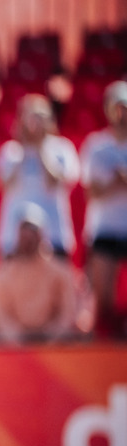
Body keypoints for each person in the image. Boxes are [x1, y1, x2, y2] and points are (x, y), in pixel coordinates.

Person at [0, 94, 80, 258]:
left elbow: (57, 183)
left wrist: (41, 149)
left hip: (53, 235)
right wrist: (24, 149)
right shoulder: (11, 150)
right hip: (13, 238)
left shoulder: (62, 149)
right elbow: (3, 185)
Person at [0, 203, 79, 344]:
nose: (28, 239)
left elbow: (68, 312)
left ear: (42, 236)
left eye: (33, 232)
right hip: (15, 348)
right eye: (24, 232)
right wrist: (18, 337)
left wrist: (51, 335)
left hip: (55, 348)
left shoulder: (60, 272)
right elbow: (0, 314)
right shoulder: (5, 274)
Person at [80, 80, 127, 338]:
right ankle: (104, 347)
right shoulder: (97, 146)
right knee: (103, 299)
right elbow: (92, 192)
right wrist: (115, 182)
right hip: (104, 229)